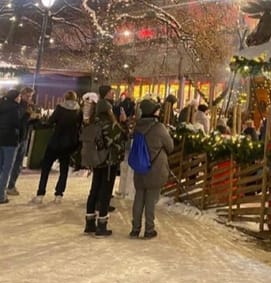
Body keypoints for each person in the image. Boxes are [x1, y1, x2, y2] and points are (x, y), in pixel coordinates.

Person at [84, 85, 128, 236]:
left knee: (94, 189)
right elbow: (120, 139)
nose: (113, 94)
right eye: (111, 92)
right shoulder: (109, 123)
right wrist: (123, 123)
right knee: (105, 191)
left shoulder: (92, 120)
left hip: (96, 159)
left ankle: (89, 222)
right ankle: (101, 224)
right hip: (108, 160)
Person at [130, 98, 174, 239]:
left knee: (139, 197)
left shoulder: (137, 127)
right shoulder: (159, 128)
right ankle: (149, 229)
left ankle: (135, 229)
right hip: (155, 169)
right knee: (150, 200)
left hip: (139, 168)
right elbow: (170, 146)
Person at [31, 90, 82, 203]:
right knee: (63, 170)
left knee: (46, 168)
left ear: (65, 98)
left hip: (56, 142)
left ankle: (40, 193)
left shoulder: (60, 108)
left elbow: (50, 122)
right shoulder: (78, 110)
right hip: (69, 144)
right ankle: (59, 194)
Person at [7, 87, 36, 196]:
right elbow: (19, 122)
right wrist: (28, 116)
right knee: (10, 164)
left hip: (23, 137)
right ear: (22, 95)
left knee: (17, 164)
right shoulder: (18, 106)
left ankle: (11, 185)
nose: (29, 98)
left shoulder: (28, 106)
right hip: (17, 138)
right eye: (27, 96)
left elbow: (25, 123)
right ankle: (7, 186)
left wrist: (33, 119)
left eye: (31, 96)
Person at [0, 89, 21, 204]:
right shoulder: (14, 108)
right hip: (10, 140)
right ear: (15, 97)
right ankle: (1, 196)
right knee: (6, 169)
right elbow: (17, 124)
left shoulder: (1, 104)